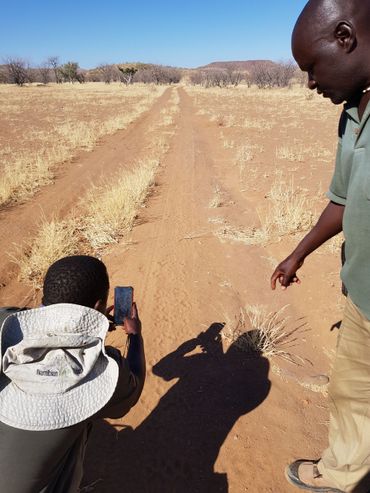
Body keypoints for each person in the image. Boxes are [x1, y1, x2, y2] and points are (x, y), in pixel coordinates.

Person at [271, 1, 370, 492]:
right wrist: (299, 252)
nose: (310, 83)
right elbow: (344, 198)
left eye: (312, 66)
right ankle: (341, 477)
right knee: (352, 396)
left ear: (346, 37)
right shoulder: (355, 110)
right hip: (361, 296)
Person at [0, 255, 145, 493]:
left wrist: (88, 328)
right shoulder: (108, 372)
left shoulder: (5, 320)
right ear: (98, 306)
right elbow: (135, 384)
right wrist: (135, 336)